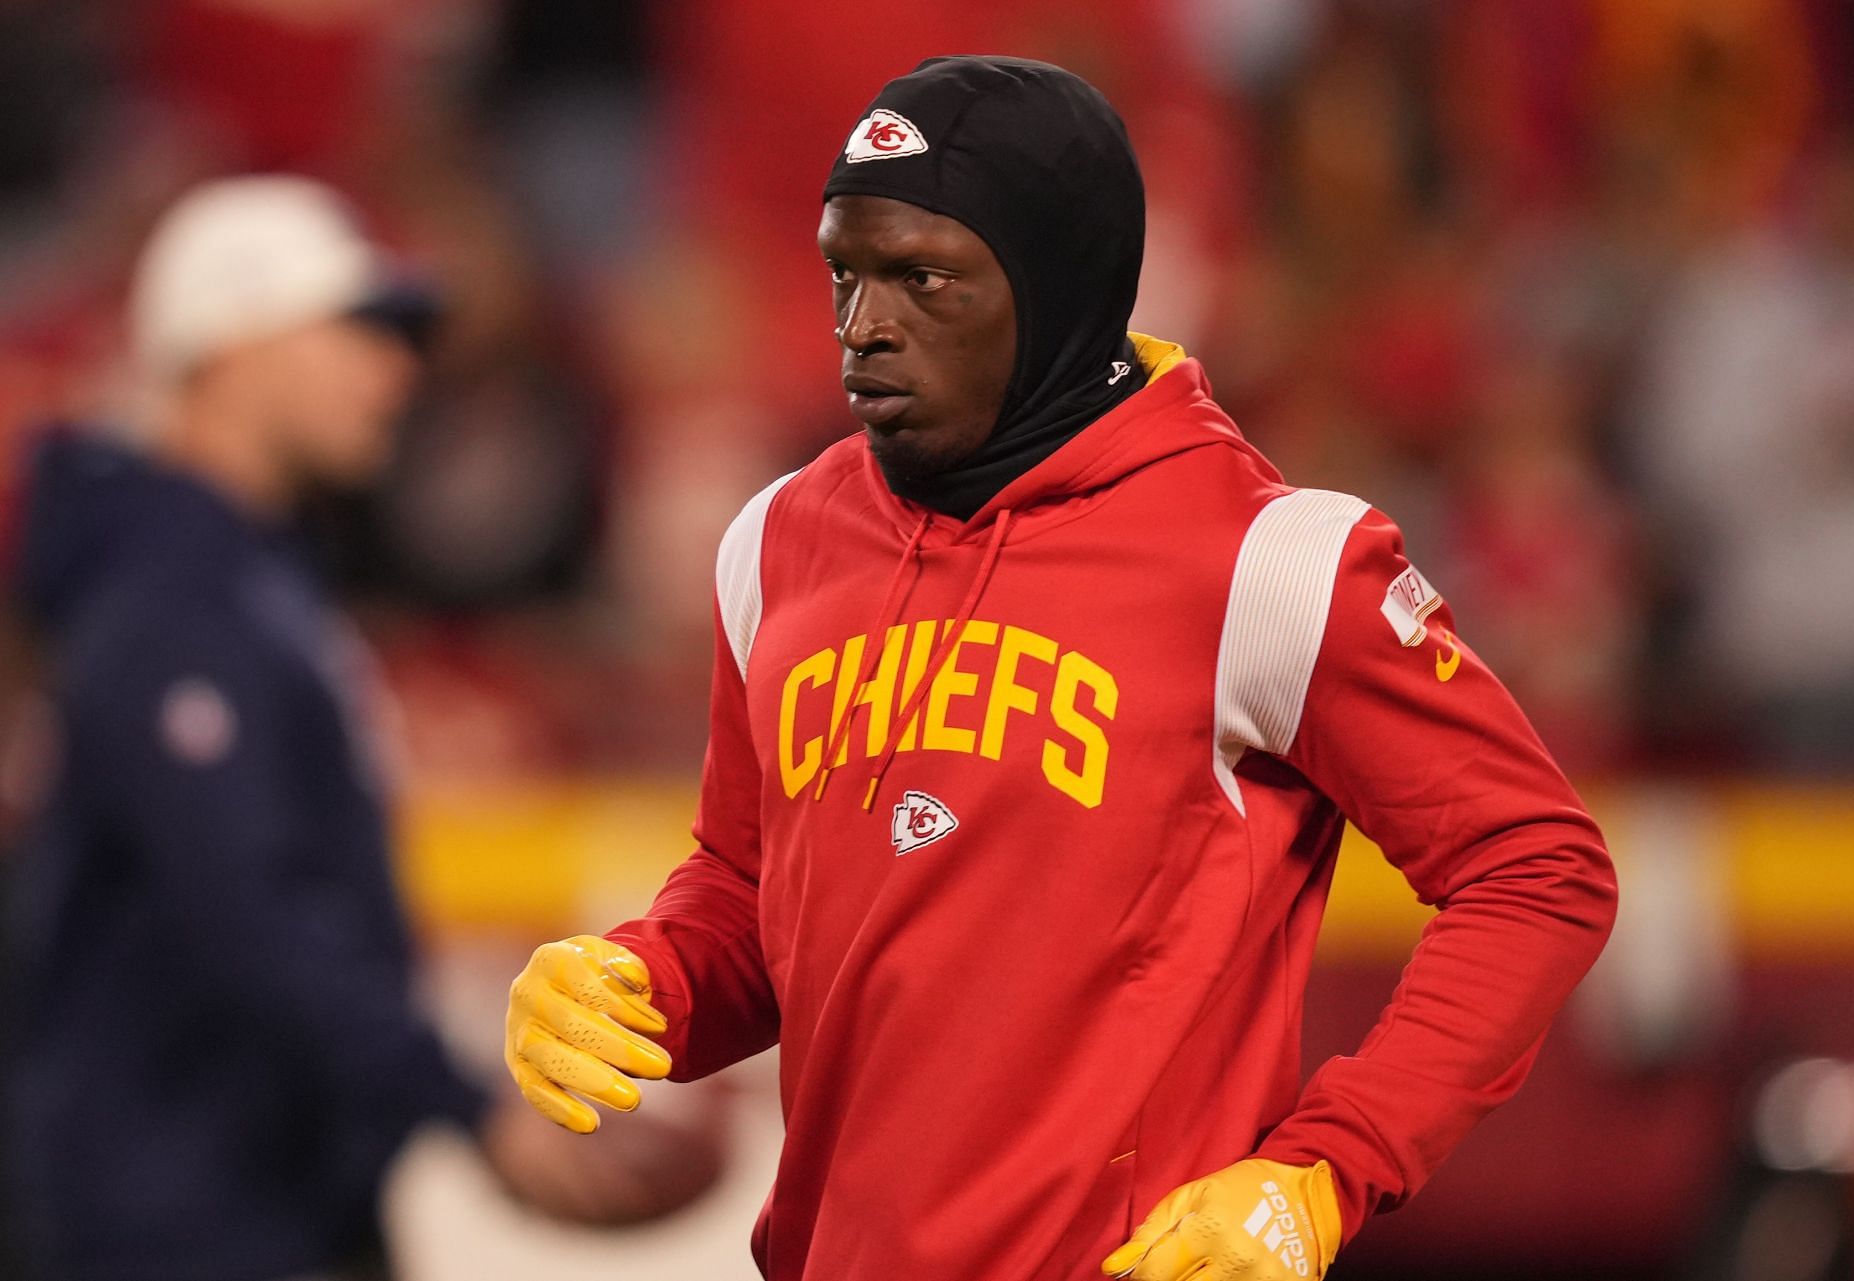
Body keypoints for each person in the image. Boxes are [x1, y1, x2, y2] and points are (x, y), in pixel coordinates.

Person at [504, 56, 1618, 1281]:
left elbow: (1537, 867)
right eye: (845, 271)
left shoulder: (1270, 559)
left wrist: (1326, 1171)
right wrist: (644, 976)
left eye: (923, 278)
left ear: (1056, 287)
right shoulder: (773, 541)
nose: (863, 325)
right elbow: (751, 890)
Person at [2, 176, 687, 1281]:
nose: (396, 372)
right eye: (357, 331)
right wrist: (463, 1106)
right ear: (231, 342)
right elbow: (248, 908)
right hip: (178, 1215)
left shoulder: (246, 580)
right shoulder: (173, 599)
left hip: (246, 1193)